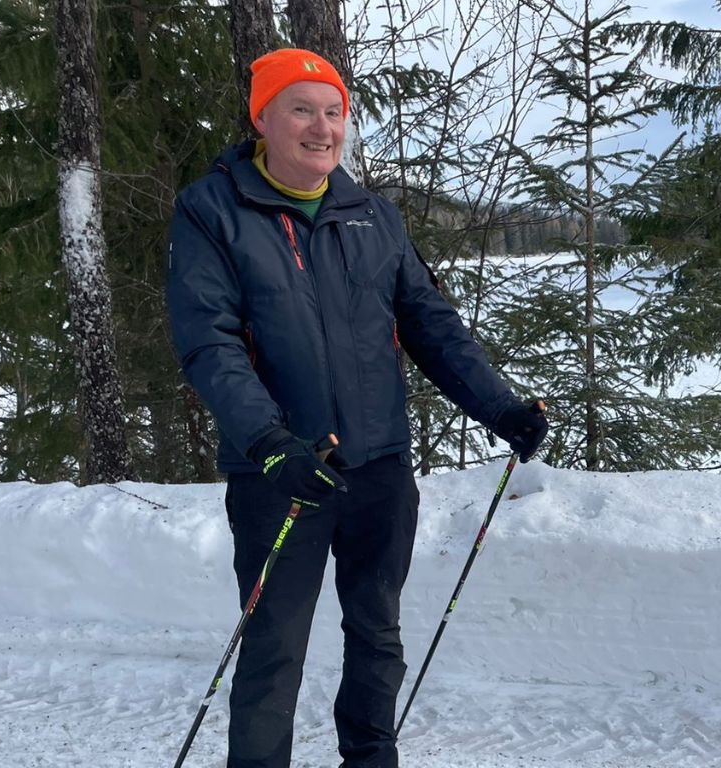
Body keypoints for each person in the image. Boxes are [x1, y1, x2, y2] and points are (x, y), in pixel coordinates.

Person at [165, 48, 549, 768]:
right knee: (275, 648)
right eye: (302, 109)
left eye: (334, 112)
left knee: (378, 635)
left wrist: (500, 408)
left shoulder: (373, 214)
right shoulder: (213, 211)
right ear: (263, 117)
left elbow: (430, 324)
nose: (322, 127)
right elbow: (208, 344)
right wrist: (270, 442)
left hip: (377, 468)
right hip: (280, 473)